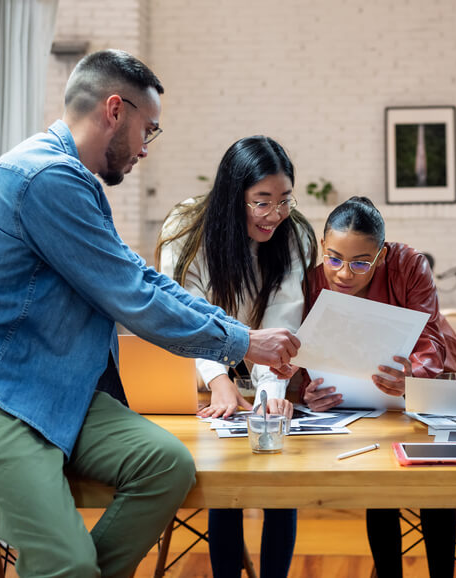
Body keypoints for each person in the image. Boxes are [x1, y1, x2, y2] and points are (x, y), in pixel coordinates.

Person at [0, 50, 300, 578]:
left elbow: (143, 280)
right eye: (149, 129)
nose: (146, 148)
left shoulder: (75, 182)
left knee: (166, 467)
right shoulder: (44, 178)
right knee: (65, 564)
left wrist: (241, 335)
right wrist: (240, 342)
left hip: (55, 391)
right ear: (115, 110)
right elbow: (132, 296)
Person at [156, 135, 316, 578]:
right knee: (223, 482)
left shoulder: (295, 234)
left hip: (269, 368)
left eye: (284, 200)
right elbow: (184, 316)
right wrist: (218, 380)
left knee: (278, 480)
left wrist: (269, 395)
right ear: (233, 196)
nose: (275, 215)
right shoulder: (186, 230)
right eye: (260, 202)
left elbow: (284, 323)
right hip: (200, 371)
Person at [302, 196, 456, 578]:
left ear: (383, 255)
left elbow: (432, 341)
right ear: (323, 247)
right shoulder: (311, 281)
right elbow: (299, 354)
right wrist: (306, 389)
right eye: (335, 258)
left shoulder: (408, 265)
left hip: (421, 397)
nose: (344, 273)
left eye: (361, 262)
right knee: (378, 481)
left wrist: (411, 381)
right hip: (355, 410)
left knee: (433, 476)